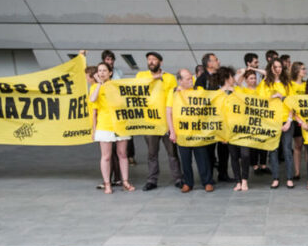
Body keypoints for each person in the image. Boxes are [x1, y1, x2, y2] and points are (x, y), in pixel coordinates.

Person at [136, 51, 183, 191]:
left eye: (154, 59)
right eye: (149, 59)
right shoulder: (141, 75)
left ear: (160, 62)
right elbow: (138, 88)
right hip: (149, 123)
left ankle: (178, 178)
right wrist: (156, 78)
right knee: (152, 154)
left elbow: (174, 96)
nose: (151, 62)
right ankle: (152, 180)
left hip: (167, 122)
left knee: (173, 153)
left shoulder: (169, 77)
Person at [89, 61, 134, 193]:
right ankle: (107, 183)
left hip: (120, 124)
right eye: (99, 71)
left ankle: (125, 181)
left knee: (122, 154)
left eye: (104, 70)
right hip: (104, 125)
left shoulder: (116, 86)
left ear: (110, 73)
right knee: (106, 156)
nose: (101, 73)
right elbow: (92, 100)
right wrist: (99, 84)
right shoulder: (95, 87)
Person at [168, 68, 214, 192]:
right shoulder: (173, 93)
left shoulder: (198, 90)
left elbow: (211, 101)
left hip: (198, 131)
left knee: (202, 158)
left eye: (191, 77)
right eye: (188, 78)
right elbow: (169, 113)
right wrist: (172, 131)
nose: (191, 80)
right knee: (185, 159)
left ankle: (207, 181)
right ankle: (188, 183)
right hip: (182, 132)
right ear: (180, 81)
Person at [195, 52, 231, 182]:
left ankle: (223, 174)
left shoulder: (220, 76)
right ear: (209, 64)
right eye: (216, 60)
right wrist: (221, 91)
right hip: (208, 120)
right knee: (209, 149)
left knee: (224, 148)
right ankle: (208, 177)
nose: (219, 62)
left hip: (222, 119)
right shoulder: (201, 79)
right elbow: (201, 99)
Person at [261, 58, 294, 188]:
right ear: (270, 68)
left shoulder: (288, 83)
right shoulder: (265, 83)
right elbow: (260, 102)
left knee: (287, 149)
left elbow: (292, 103)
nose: (278, 69)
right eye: (275, 66)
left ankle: (289, 178)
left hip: (286, 119)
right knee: (273, 150)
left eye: (280, 66)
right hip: (271, 121)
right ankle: (275, 178)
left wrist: (289, 121)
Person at [290, 62, 308, 180]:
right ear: (296, 71)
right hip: (296, 119)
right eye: (303, 69)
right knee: (298, 146)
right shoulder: (290, 85)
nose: (305, 71)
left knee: (307, 146)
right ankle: (297, 171)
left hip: (307, 119)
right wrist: (298, 119)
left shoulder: (306, 85)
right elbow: (290, 103)